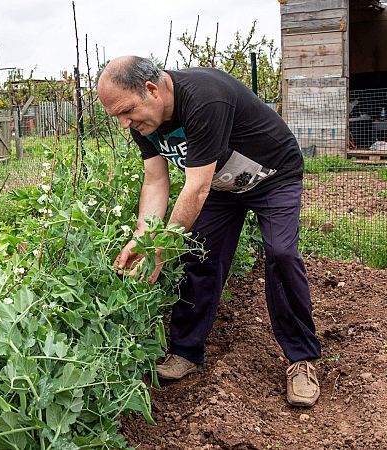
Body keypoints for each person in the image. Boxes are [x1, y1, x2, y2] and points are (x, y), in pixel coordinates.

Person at [97, 56, 321, 407]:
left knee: (281, 253)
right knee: (201, 254)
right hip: (223, 185)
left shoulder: (204, 98)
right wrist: (144, 237)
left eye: (126, 111)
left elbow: (196, 188)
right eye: (117, 116)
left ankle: (301, 359)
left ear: (152, 90)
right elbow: (155, 181)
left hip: (273, 176)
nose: (125, 123)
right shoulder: (144, 123)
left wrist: (160, 250)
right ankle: (186, 351)